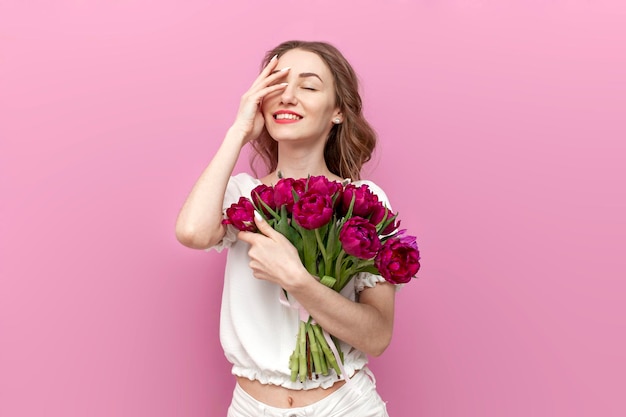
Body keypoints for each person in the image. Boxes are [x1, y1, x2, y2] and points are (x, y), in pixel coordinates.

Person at [176, 40, 395, 417]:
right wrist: (238, 130)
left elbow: (376, 336)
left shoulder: (361, 202)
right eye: (277, 85)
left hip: (345, 407)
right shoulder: (242, 195)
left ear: (338, 112)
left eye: (308, 87)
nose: (288, 97)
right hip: (251, 408)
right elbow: (193, 232)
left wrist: (298, 280)